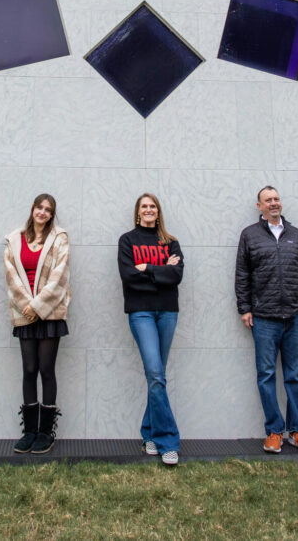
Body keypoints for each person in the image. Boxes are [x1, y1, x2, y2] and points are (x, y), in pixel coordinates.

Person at [235, 185, 298, 454]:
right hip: (264, 318)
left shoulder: (297, 235)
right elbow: (242, 274)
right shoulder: (250, 235)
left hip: (295, 317)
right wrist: (245, 308)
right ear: (259, 206)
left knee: (294, 376)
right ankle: (274, 431)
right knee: (266, 375)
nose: (274, 203)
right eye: (268, 200)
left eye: (276, 199)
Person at [117, 193, 184, 466]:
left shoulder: (171, 242)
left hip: (168, 312)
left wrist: (146, 267)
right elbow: (128, 277)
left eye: (152, 206)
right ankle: (168, 441)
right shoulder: (128, 240)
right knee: (156, 373)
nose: (148, 210)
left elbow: (177, 276)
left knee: (157, 377)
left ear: (158, 212)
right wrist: (160, 272)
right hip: (141, 311)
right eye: (144, 206)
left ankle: (149, 435)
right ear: (138, 212)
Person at [4, 193, 70, 454]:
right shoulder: (14, 239)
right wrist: (27, 306)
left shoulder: (59, 238)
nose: (42, 212)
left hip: (50, 312)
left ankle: (46, 433)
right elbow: (11, 277)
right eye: (39, 207)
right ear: (32, 209)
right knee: (29, 369)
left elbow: (60, 276)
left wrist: (39, 306)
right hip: (24, 312)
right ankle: (29, 431)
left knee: (46, 369)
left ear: (52, 214)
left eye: (48, 209)